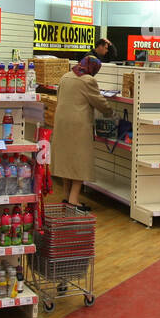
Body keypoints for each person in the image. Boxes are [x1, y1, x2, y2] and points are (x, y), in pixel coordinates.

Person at [50, 55, 111, 208]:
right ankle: (73, 199)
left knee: (66, 160)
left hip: (62, 123)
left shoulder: (65, 76)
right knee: (80, 161)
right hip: (79, 126)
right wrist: (110, 112)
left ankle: (65, 196)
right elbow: (99, 101)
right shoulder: (88, 80)